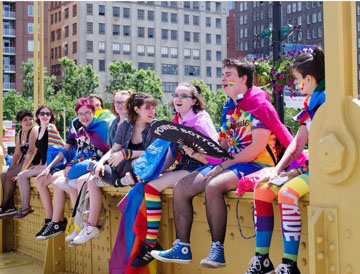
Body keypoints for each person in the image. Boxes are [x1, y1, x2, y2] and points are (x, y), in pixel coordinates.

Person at [151, 59, 306, 268]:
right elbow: (222, 144)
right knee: (182, 187)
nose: (223, 79)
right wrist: (198, 152)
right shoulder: (229, 107)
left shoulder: (259, 105)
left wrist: (223, 165)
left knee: (214, 185)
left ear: (243, 79)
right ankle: (182, 246)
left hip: (256, 165)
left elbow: (256, 149)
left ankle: (217, 250)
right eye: (222, 74)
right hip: (230, 163)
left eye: (228, 75)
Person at [244, 48, 325, 274]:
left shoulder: (328, 103)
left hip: (324, 173)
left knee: (287, 194)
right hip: (309, 169)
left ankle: (289, 265)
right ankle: (262, 260)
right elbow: (298, 143)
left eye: (299, 80)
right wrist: (277, 170)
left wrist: (295, 173)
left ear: (309, 79)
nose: (298, 86)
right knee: (262, 190)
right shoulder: (312, 102)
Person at [129, 83, 219, 268]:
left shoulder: (200, 121)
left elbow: (214, 157)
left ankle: (151, 243)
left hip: (197, 168)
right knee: (148, 182)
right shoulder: (178, 120)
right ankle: (149, 241)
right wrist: (157, 169)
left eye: (184, 96)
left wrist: (193, 156)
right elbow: (172, 151)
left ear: (194, 100)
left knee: (152, 188)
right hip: (184, 166)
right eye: (176, 94)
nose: (178, 99)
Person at [70, 92, 157, 245]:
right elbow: (114, 149)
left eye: (153, 108)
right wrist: (100, 163)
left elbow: (155, 152)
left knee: (135, 164)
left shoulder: (155, 126)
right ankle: (89, 226)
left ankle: (119, 182)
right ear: (137, 109)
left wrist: (128, 153)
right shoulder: (125, 124)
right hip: (124, 167)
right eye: (148, 108)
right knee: (97, 176)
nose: (152, 112)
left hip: (142, 166)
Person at [36, 97, 109, 240]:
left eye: (87, 113)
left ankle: (88, 223)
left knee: (75, 177)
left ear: (94, 112)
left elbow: (107, 149)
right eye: (80, 114)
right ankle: (78, 224)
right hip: (85, 160)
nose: (84, 117)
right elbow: (73, 150)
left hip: (100, 162)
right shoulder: (78, 127)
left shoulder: (101, 126)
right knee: (67, 182)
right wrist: (54, 166)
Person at [14, 105, 63, 219]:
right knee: (22, 175)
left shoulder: (51, 128)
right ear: (38, 116)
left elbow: (59, 147)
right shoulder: (40, 129)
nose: (45, 116)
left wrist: (46, 166)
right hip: (44, 164)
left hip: (53, 165)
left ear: (51, 116)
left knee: (22, 175)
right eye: (42, 114)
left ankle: (26, 208)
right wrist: (40, 164)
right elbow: (42, 151)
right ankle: (24, 207)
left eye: (48, 114)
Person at [0, 109, 40, 217]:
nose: (29, 122)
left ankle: (4, 206)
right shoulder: (20, 133)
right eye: (25, 120)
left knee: (9, 174)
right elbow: (17, 154)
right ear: (20, 122)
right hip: (25, 161)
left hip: (34, 162)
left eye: (30, 119)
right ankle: (10, 206)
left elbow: (32, 152)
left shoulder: (35, 130)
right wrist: (11, 169)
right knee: (4, 173)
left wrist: (19, 172)